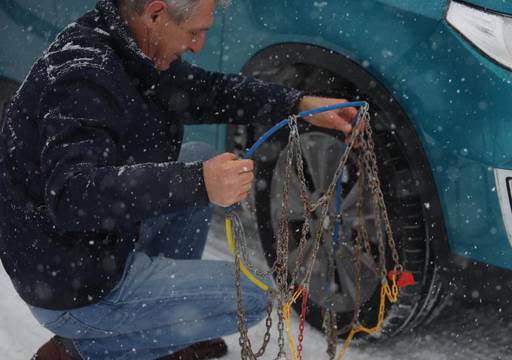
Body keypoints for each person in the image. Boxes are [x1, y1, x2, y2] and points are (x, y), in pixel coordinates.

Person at [0, 0, 358, 358]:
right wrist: (201, 183)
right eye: (194, 32)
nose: (198, 45)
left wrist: (298, 105)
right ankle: (79, 348)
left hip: (94, 245)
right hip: (72, 283)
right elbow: (72, 197)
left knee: (199, 155)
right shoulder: (84, 77)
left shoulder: (125, 44)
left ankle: (156, 325)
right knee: (252, 297)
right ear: (155, 13)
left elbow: (208, 92)